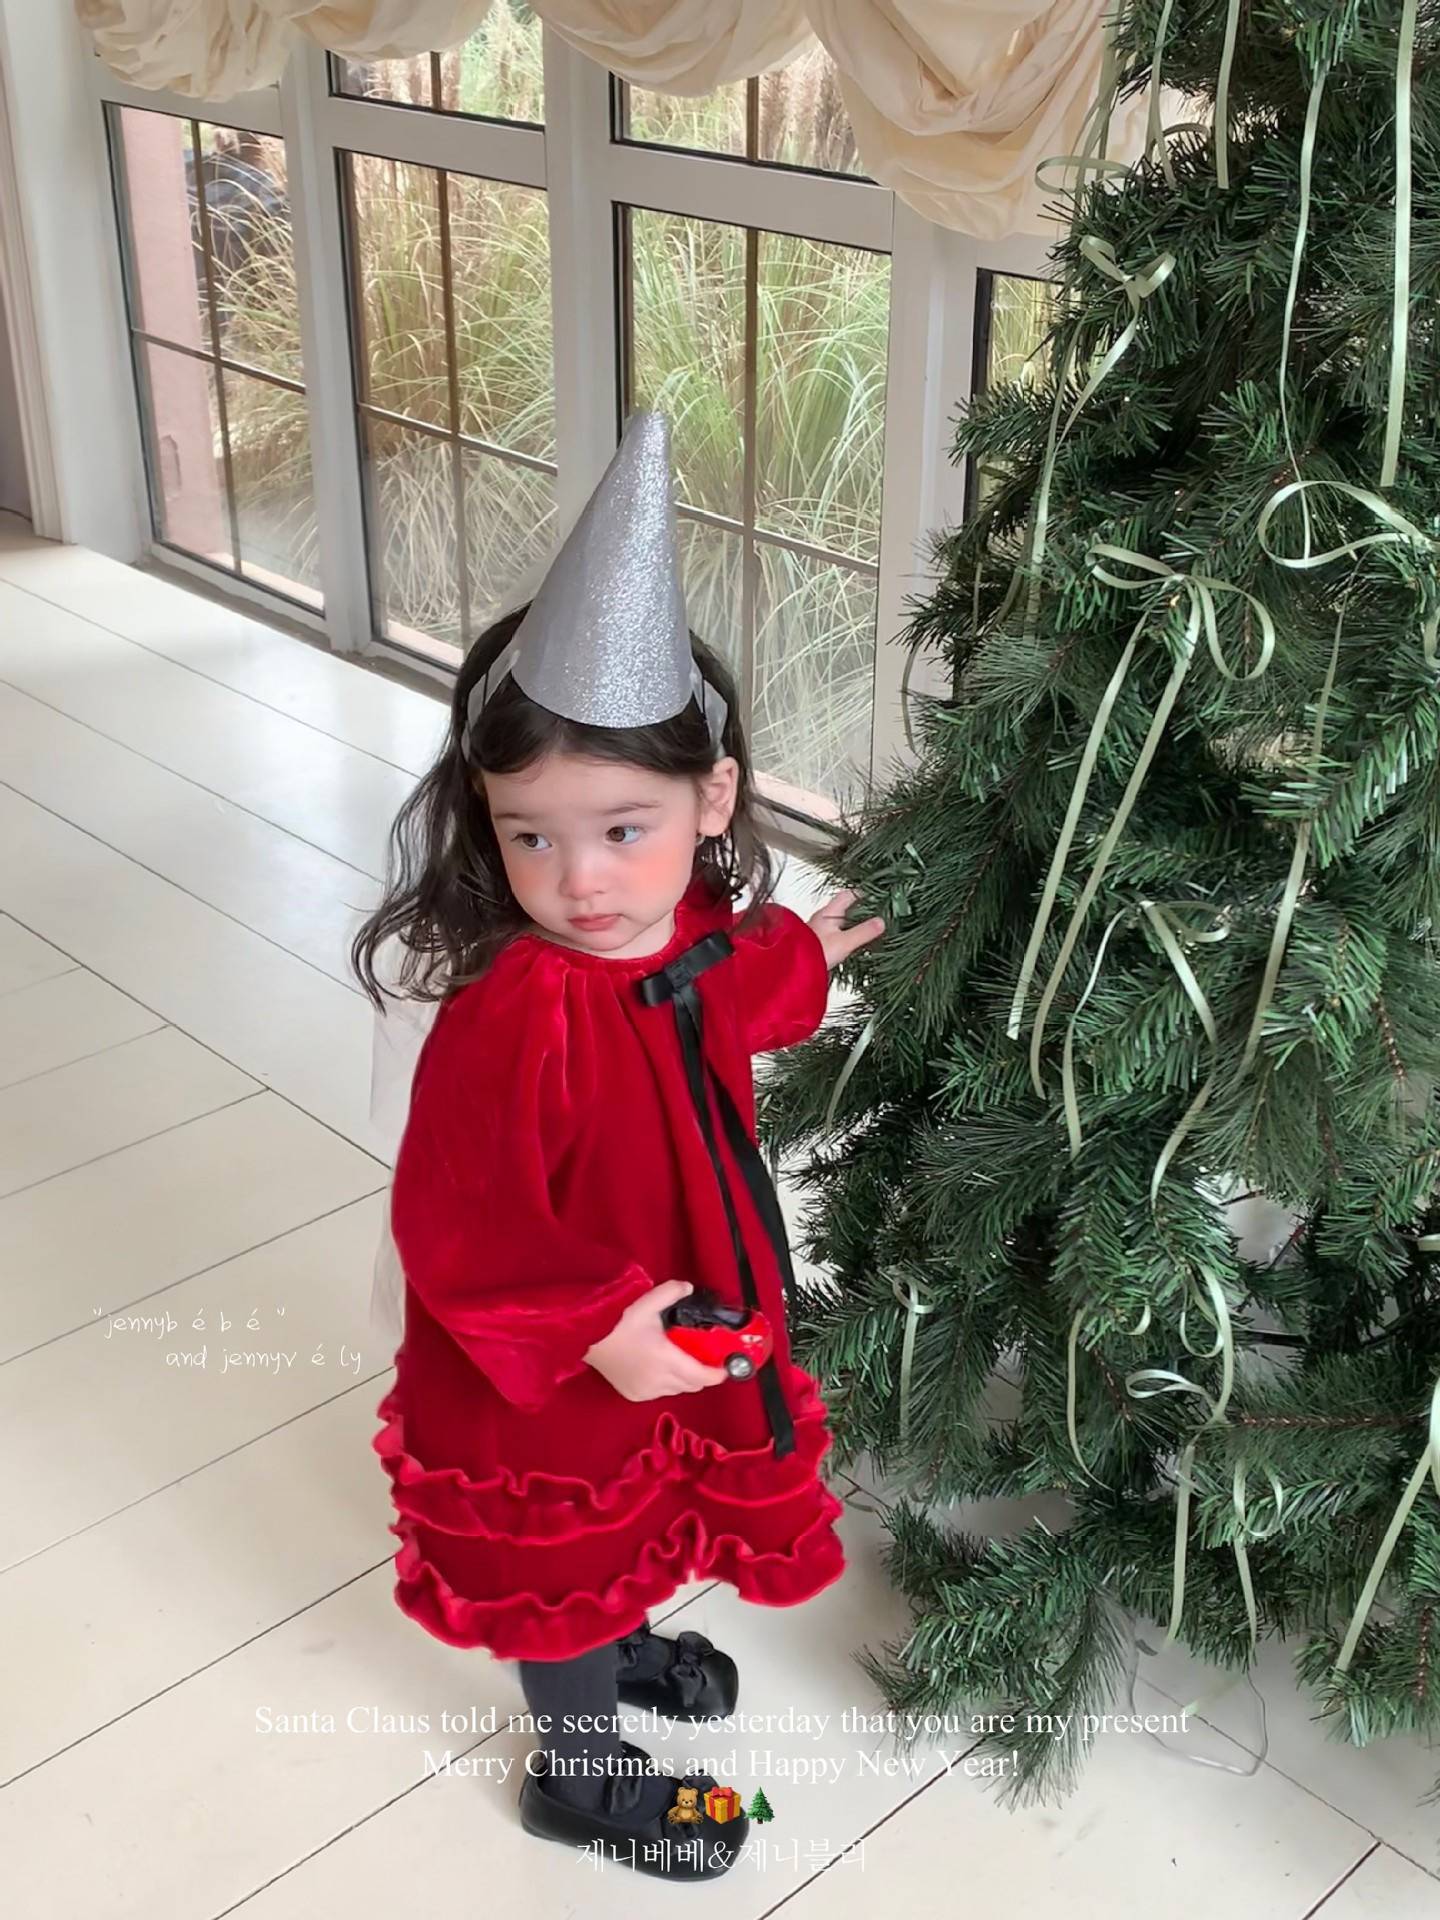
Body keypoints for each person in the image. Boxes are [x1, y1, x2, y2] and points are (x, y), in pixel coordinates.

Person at [351, 411, 886, 1881]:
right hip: (554, 1350)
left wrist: (810, 959)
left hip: (681, 1308)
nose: (580, 880)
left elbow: (730, 986)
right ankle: (578, 1777)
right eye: (531, 836)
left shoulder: (687, 930)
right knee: (564, 1543)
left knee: (634, 1505)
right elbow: (457, 1220)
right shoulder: (514, 1013)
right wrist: (597, 1329)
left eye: (621, 830)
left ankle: (618, 1641)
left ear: (712, 802)